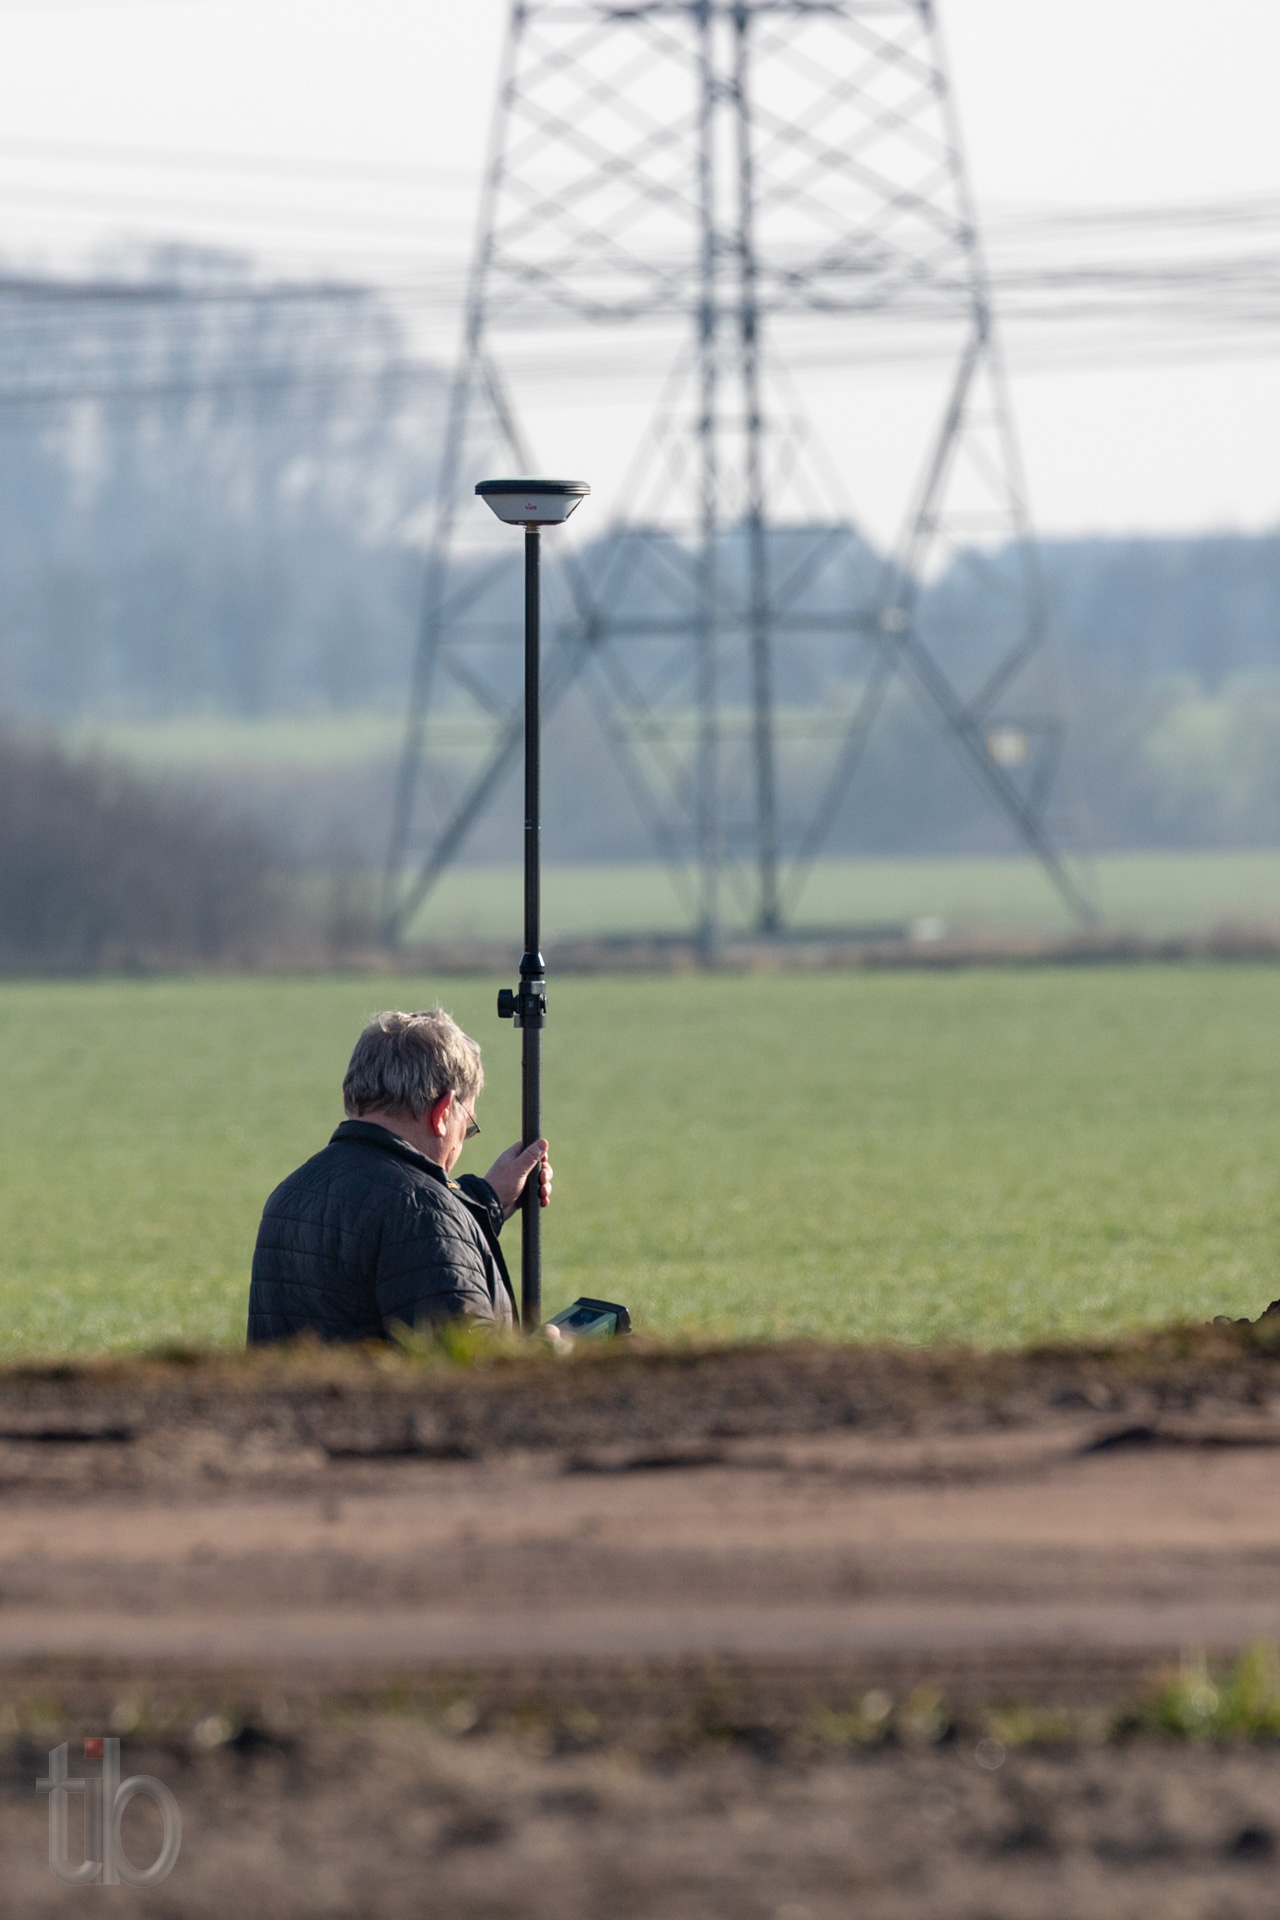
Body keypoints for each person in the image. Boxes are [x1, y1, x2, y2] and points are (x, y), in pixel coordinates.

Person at [247, 1007, 550, 1344]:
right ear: (443, 1111)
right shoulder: (423, 1214)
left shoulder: (290, 1194)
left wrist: (487, 1200)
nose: (462, 1141)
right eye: (468, 1126)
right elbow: (470, 1372)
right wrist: (548, 1354)